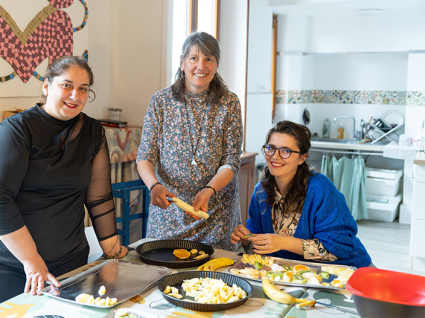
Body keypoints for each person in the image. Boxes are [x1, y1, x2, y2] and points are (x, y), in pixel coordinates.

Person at [0, 56, 128, 312]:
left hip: (68, 260)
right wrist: (31, 259)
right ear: (46, 86)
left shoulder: (93, 132)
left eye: (83, 89)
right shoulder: (17, 129)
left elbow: (98, 197)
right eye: (67, 85)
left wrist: (113, 250)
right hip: (5, 263)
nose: (75, 95)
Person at [136, 31, 243, 250]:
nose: (201, 66)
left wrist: (208, 191)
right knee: (162, 272)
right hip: (169, 212)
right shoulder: (160, 101)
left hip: (214, 213)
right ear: (182, 63)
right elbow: (145, 156)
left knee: (213, 279)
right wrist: (153, 185)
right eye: (194, 58)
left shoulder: (229, 102)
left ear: (216, 64)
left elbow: (231, 162)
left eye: (209, 59)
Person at [230, 120, 372, 268]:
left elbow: (339, 247)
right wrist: (246, 239)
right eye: (271, 148)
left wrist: (283, 242)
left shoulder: (320, 188)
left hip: (346, 270)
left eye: (286, 151)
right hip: (293, 272)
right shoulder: (261, 192)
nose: (275, 156)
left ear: (302, 158)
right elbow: (259, 249)